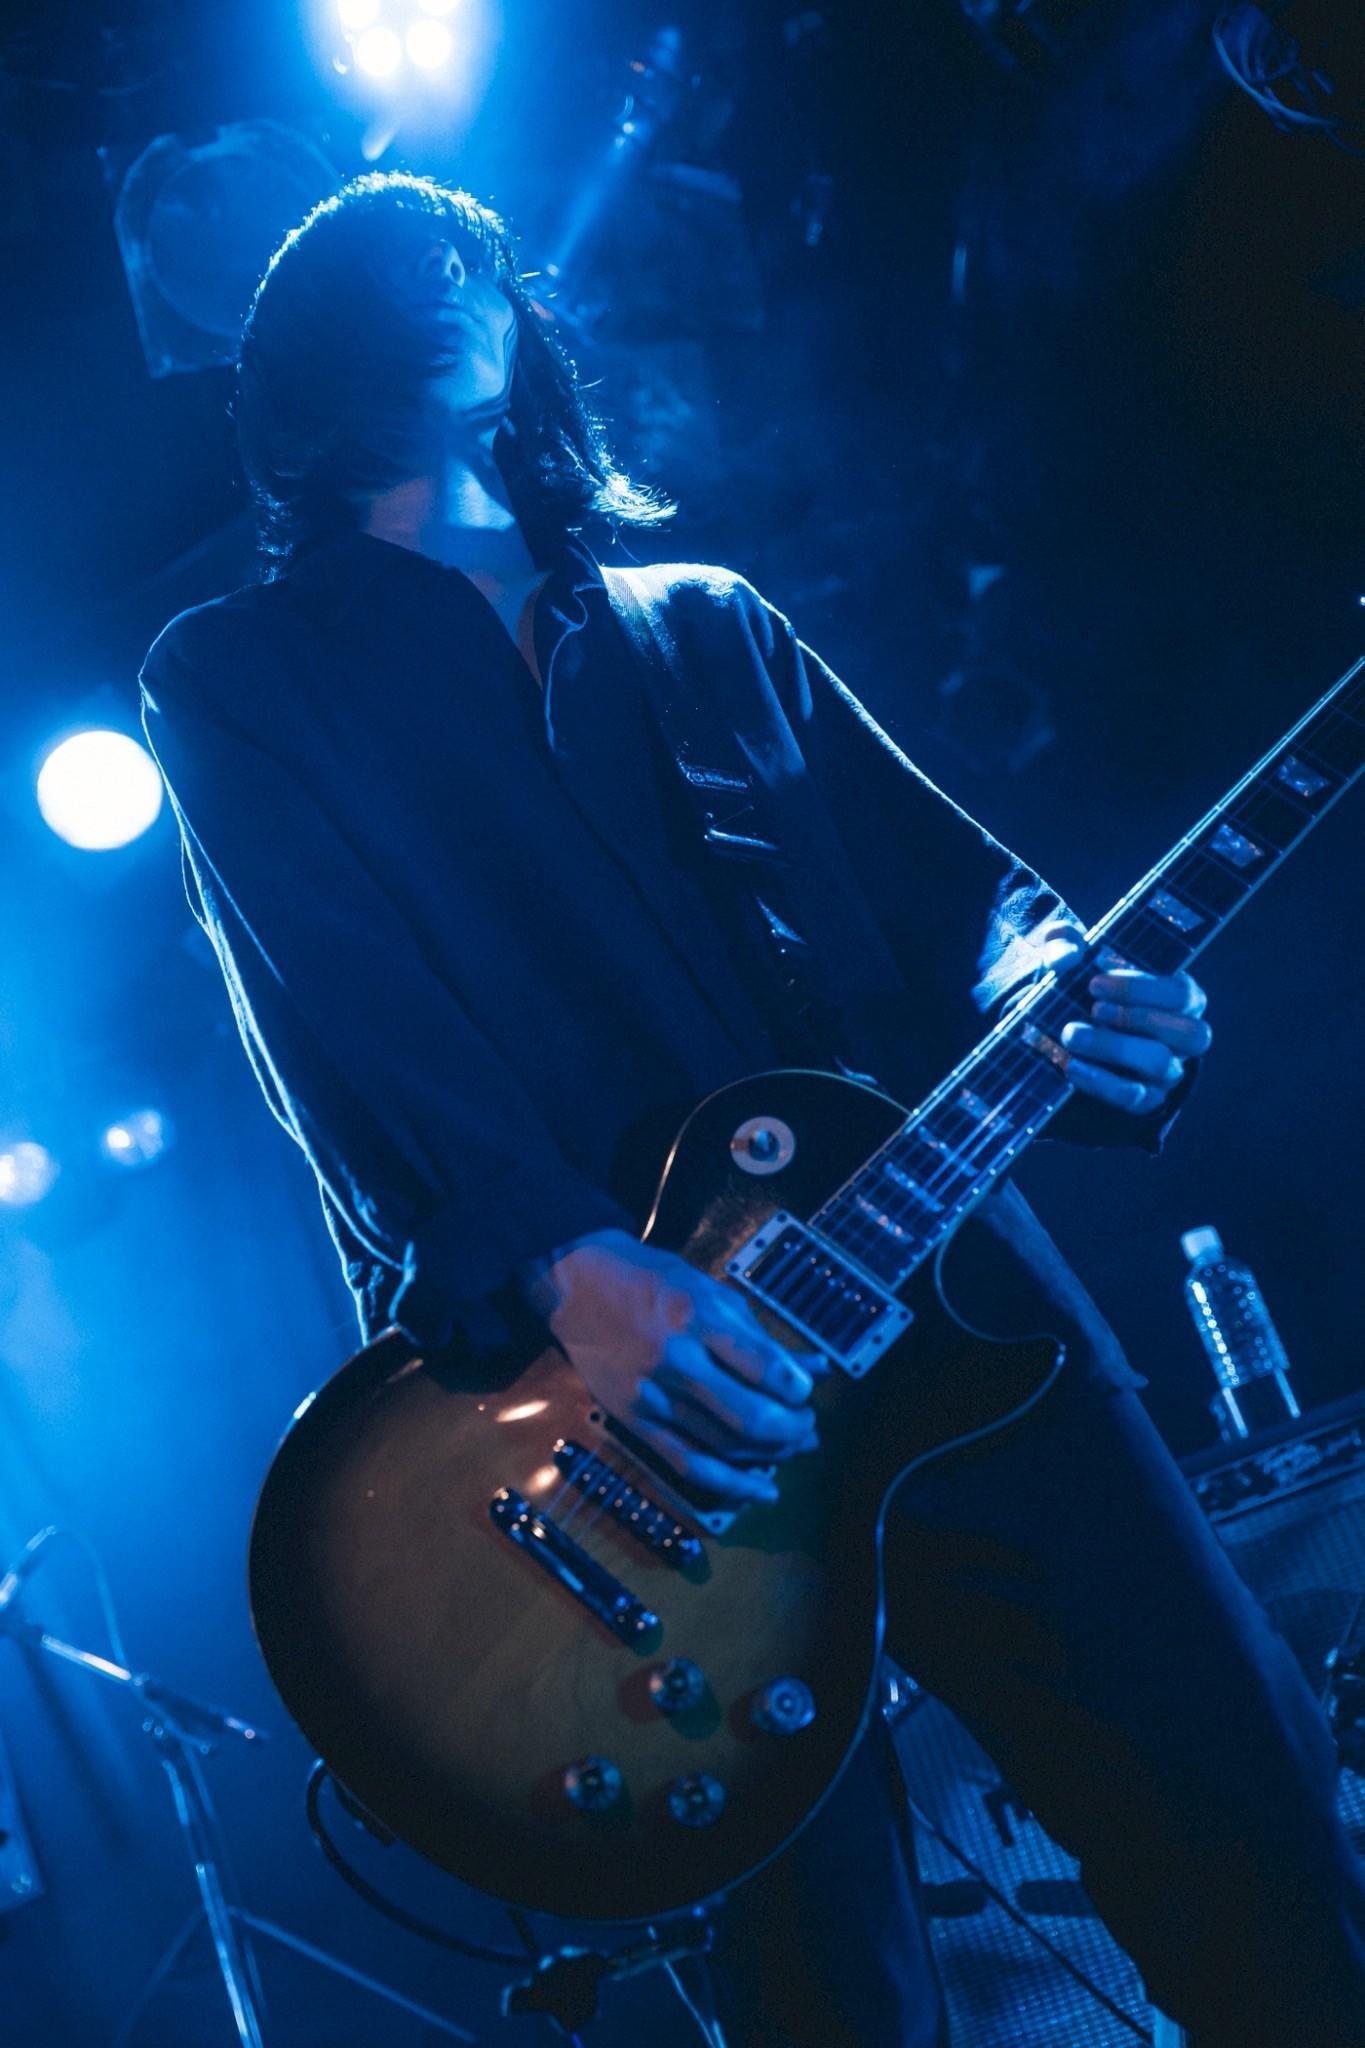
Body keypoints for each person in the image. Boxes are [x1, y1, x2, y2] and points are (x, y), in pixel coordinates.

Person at [140, 173, 1365, 2047]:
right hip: (617, 1402)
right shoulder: (239, 674)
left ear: (521, 330)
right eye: (391, 265)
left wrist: (1073, 996)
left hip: (953, 1311)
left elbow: (968, 904)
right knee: (826, 1989)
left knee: (1255, 1823)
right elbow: (339, 1004)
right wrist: (569, 1260)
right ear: (302, 364)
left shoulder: (706, 622)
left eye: (470, 255)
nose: (446, 273)